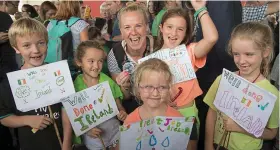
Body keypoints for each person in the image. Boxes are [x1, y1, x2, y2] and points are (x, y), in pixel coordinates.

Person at [0, 18, 72, 150]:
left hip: (60, 143)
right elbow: (4, 117)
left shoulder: (59, 74)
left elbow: (67, 110)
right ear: (16, 48)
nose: (36, 50)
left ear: (47, 43)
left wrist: (67, 144)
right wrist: (27, 120)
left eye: (41, 43)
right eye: (27, 45)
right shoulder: (11, 83)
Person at [204, 22, 279, 150]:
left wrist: (240, 128)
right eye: (236, 54)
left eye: (249, 54)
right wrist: (208, 145)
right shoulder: (223, 80)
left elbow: (271, 133)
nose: (241, 61)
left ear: (265, 52)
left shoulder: (272, 94)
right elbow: (212, 113)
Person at [156, 1, 218, 148]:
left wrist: (200, 9)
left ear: (185, 34)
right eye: (169, 27)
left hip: (188, 113)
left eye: (180, 29)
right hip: (162, 113)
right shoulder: (153, 60)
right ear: (161, 28)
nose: (173, 33)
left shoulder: (189, 52)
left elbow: (212, 38)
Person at [124, 58, 197, 150]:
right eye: (148, 86)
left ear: (168, 87)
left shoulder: (177, 121)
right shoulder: (130, 122)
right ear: (138, 88)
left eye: (162, 87)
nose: (155, 94)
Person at [73, 40, 127, 150]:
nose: (96, 66)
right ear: (79, 62)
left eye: (100, 61)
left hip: (115, 132)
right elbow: (75, 116)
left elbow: (119, 107)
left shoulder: (107, 81)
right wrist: (87, 129)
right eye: (91, 61)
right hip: (94, 140)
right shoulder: (75, 87)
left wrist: (122, 113)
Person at [107, 4, 154, 114]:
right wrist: (125, 87)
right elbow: (125, 97)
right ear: (121, 31)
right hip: (133, 112)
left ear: (147, 26)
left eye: (138, 25)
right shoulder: (114, 54)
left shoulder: (159, 46)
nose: (133, 32)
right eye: (127, 27)